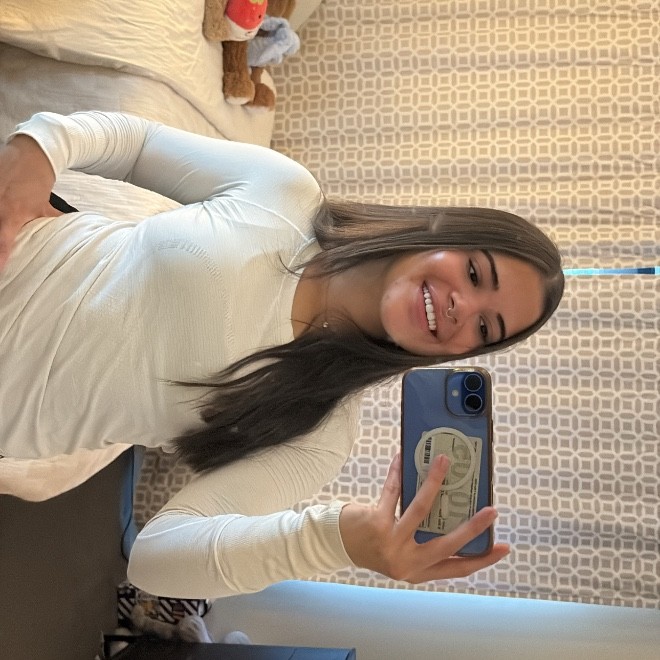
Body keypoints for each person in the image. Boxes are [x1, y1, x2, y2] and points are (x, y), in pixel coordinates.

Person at [0, 111, 564, 599]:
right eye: (474, 272)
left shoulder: (318, 436)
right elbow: (137, 143)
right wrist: (42, 148)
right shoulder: (284, 194)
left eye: (486, 327)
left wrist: (333, 540)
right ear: (442, 233)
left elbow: (154, 560)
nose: (462, 307)